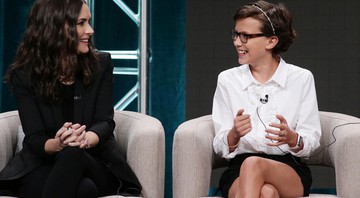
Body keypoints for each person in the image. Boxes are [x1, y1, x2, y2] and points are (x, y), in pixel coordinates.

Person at [0, 0, 142, 197]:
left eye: (89, 22)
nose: (90, 30)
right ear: (56, 28)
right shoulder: (24, 75)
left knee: (73, 153)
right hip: (44, 164)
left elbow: (105, 122)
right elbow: (34, 137)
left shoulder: (100, 65)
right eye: (81, 23)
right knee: (84, 190)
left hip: (95, 162)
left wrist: (83, 140)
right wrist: (59, 144)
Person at [212, 1, 321, 197]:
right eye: (236, 34)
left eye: (245, 36)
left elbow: (312, 140)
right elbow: (220, 146)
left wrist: (292, 138)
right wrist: (234, 134)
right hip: (238, 169)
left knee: (254, 164)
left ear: (271, 41)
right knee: (267, 193)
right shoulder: (227, 80)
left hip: (288, 168)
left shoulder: (302, 78)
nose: (237, 42)